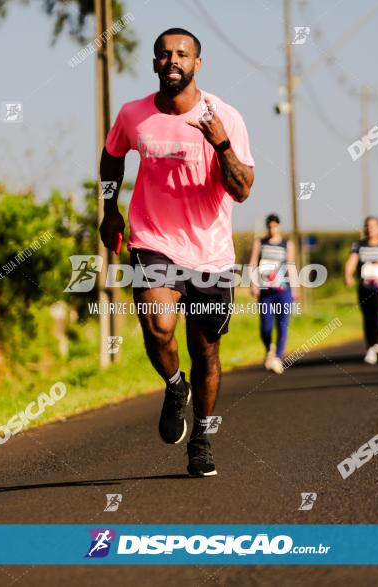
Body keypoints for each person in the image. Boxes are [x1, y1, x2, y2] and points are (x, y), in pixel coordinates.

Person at [98, 28, 255, 477]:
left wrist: (220, 142)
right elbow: (112, 156)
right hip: (153, 241)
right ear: (154, 64)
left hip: (210, 253)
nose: (173, 61)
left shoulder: (225, 115)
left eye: (182, 54)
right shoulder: (133, 115)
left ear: (197, 64)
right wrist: (110, 207)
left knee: (205, 351)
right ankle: (173, 385)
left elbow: (241, 190)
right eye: (164, 55)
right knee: (158, 326)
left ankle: (202, 436)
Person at [344, 217, 378, 365]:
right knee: (367, 317)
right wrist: (348, 275)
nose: (370, 229)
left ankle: (375, 345)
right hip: (364, 287)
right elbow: (351, 262)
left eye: (373, 226)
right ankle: (371, 346)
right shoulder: (358, 246)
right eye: (367, 226)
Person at [248, 213, 298, 374]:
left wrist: (295, 289)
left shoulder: (286, 244)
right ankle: (269, 348)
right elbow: (253, 262)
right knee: (265, 327)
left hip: (283, 290)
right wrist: (253, 283)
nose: (272, 229)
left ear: (279, 226)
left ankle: (277, 357)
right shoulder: (260, 242)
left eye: (275, 226)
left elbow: (290, 265)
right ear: (267, 227)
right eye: (270, 226)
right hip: (265, 292)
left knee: (283, 324)